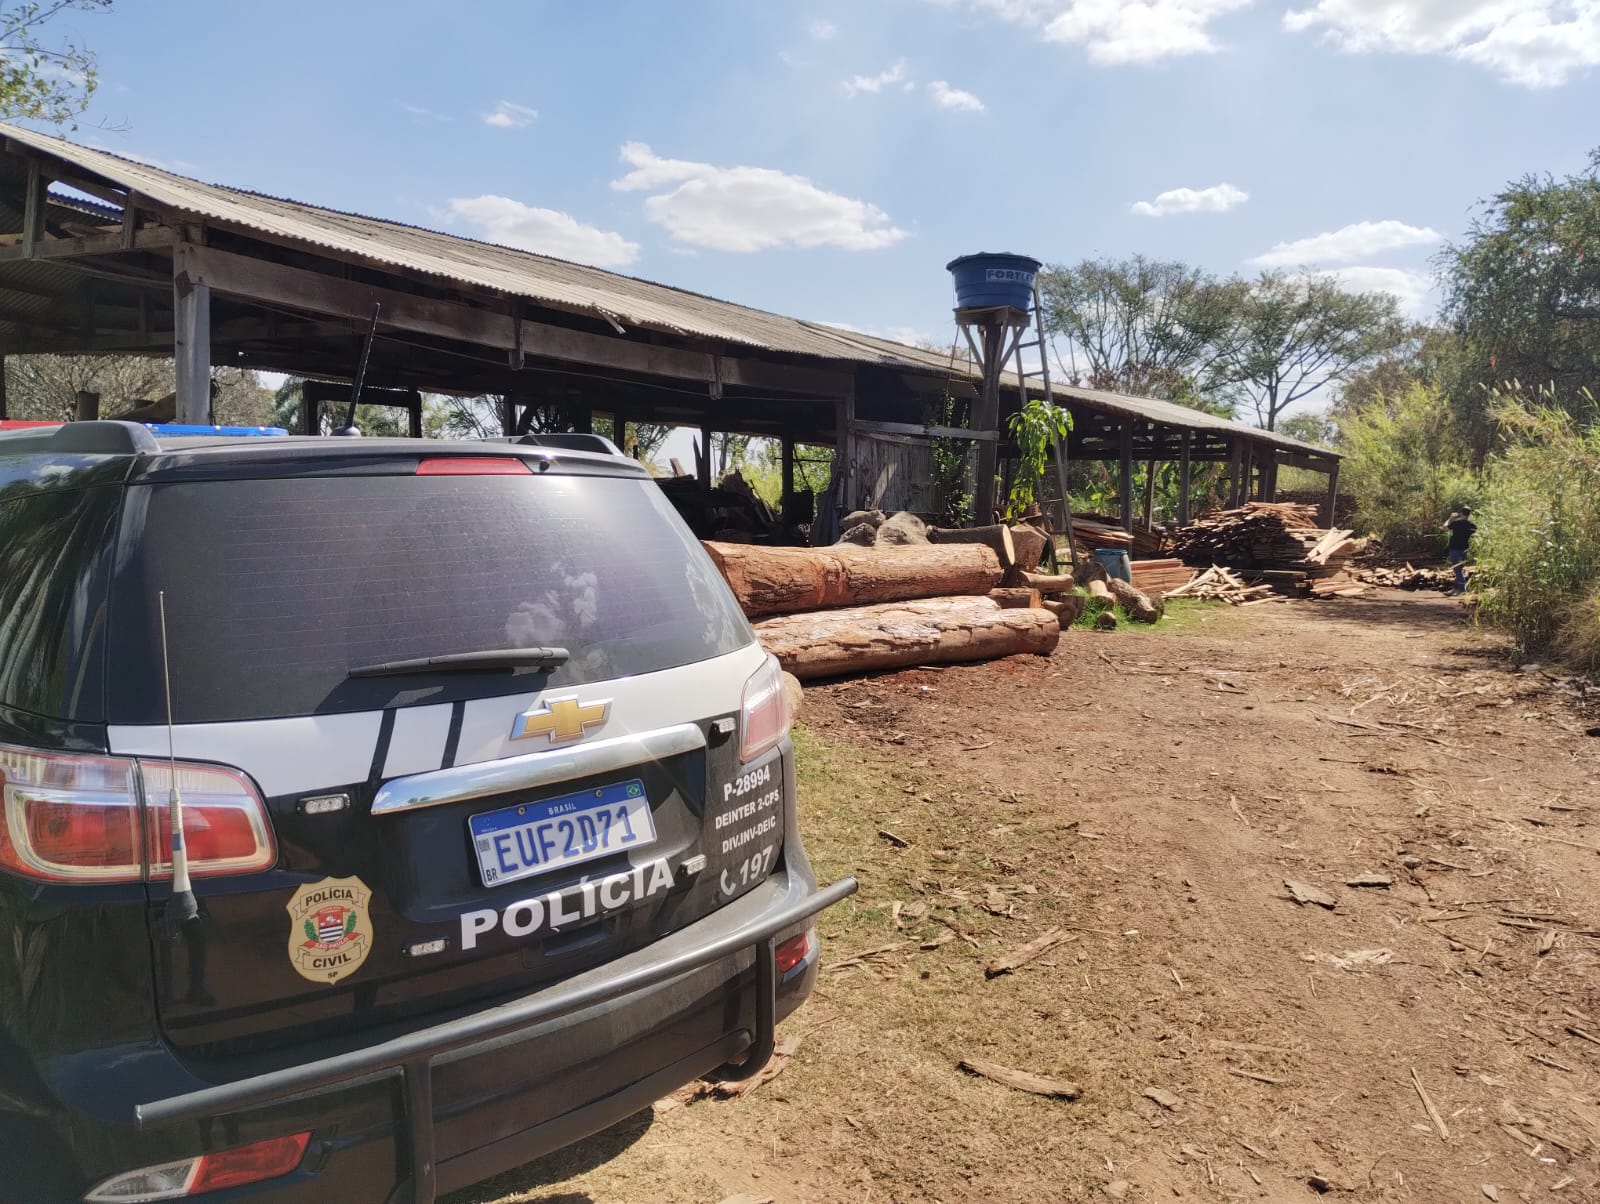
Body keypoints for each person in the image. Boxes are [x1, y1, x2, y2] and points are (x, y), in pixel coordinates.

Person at [1444, 506, 1476, 594]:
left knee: (1457, 569)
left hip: (1455, 548)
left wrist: (1450, 518)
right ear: (1469, 514)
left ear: (1461, 513)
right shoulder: (1471, 525)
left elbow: (1445, 527)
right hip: (1465, 548)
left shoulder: (1457, 523)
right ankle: (1455, 588)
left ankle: (1462, 589)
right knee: (1459, 569)